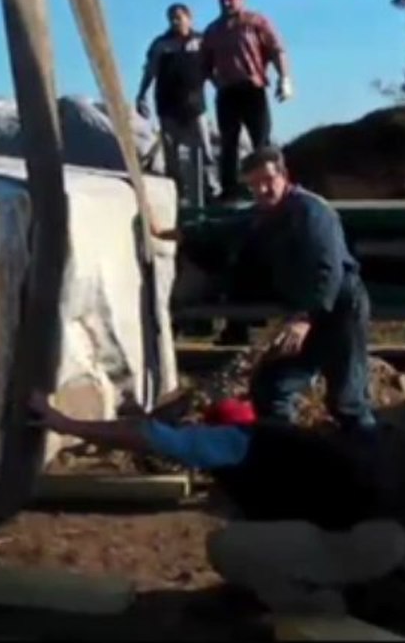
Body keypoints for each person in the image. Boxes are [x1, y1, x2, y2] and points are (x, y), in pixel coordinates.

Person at [28, 392, 405, 617]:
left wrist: (67, 425)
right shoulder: (281, 442)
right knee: (272, 539)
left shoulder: (234, 442)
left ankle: (319, 608)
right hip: (391, 536)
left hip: (363, 542)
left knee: (228, 546)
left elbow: (148, 437)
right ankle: (373, 587)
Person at [154, 146, 376, 432]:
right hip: (303, 312)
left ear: (284, 176)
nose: (262, 189)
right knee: (272, 387)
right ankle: (282, 453)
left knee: (348, 398)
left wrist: (304, 318)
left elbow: (327, 269)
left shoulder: (312, 213)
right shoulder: (264, 213)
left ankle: (369, 459)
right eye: (254, 184)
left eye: (268, 180)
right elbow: (228, 226)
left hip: (338, 308)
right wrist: (178, 233)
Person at [201, 0, 292, 203]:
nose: (227, 3)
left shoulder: (255, 21)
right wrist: (216, 82)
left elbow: (276, 49)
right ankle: (230, 190)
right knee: (228, 143)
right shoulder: (213, 30)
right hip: (227, 91)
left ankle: (274, 186)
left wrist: (284, 78)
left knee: (261, 142)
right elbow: (204, 64)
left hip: (253, 88)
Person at [136, 3, 221, 206]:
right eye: (172, 18)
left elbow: (211, 71)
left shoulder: (201, 41)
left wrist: (223, 91)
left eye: (179, 17)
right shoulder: (161, 44)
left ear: (189, 18)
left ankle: (211, 191)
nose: (175, 21)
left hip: (195, 105)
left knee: (204, 151)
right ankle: (176, 195)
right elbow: (150, 71)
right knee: (171, 154)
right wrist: (141, 94)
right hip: (168, 105)